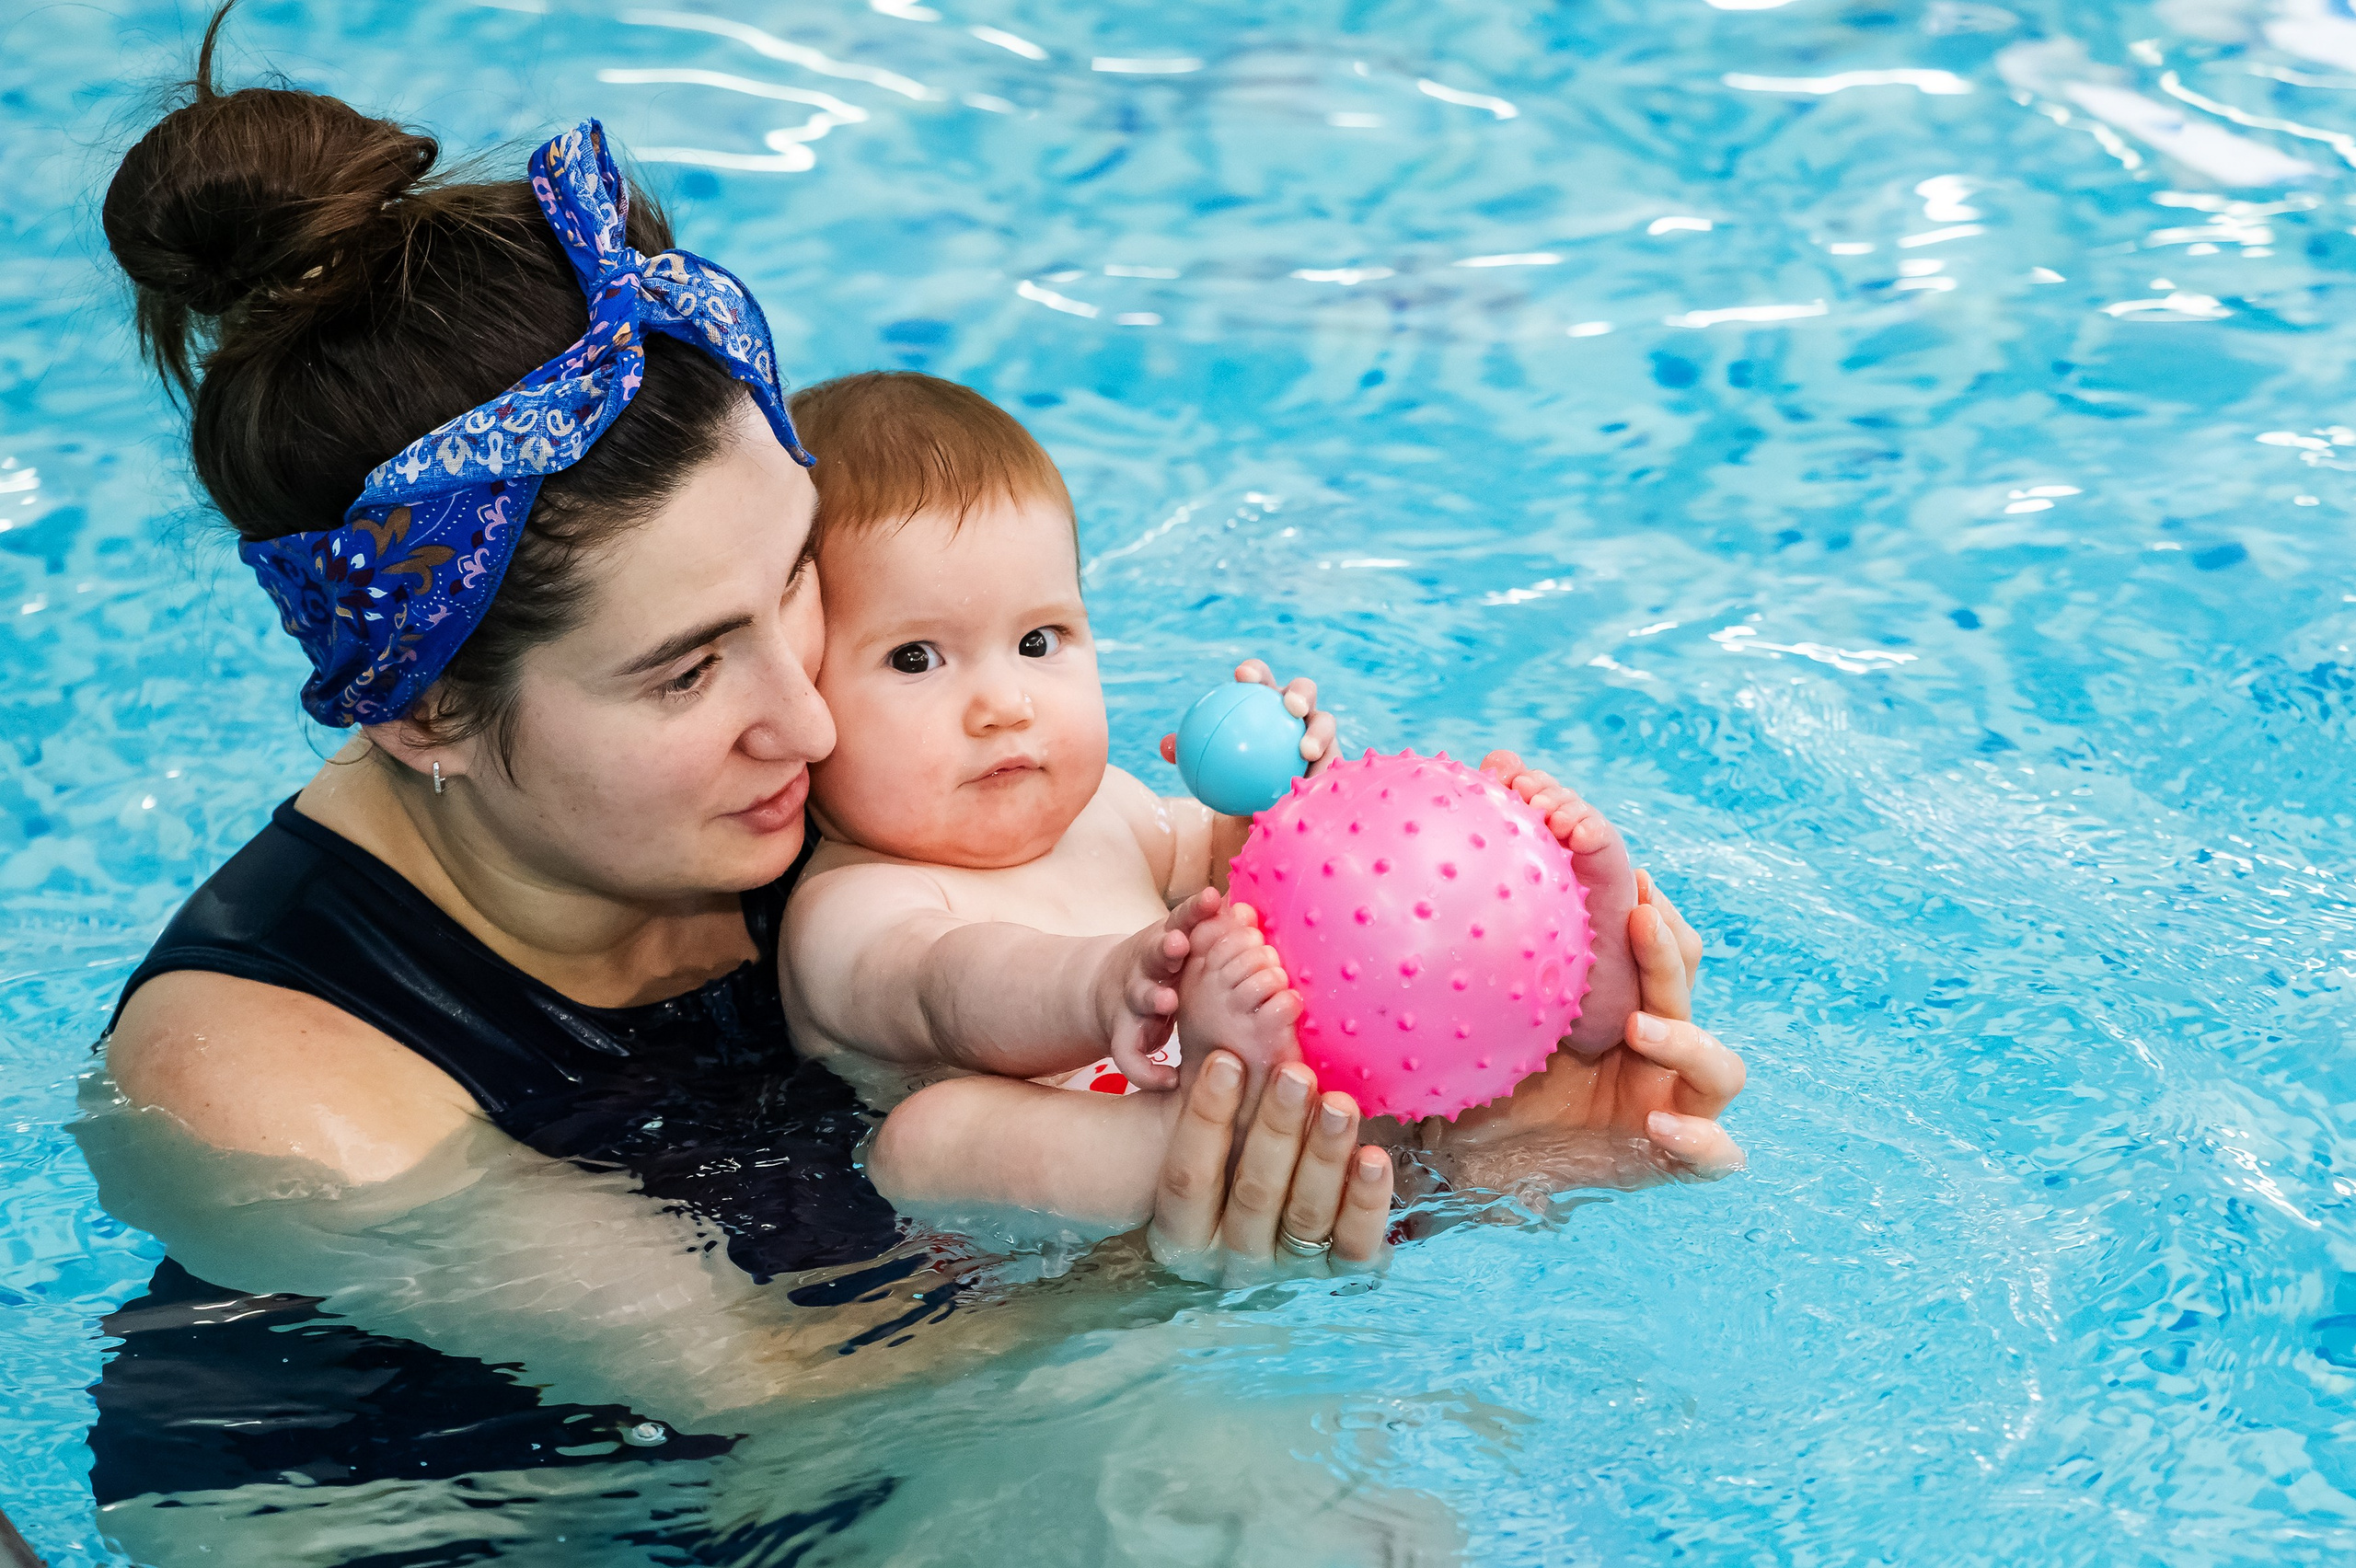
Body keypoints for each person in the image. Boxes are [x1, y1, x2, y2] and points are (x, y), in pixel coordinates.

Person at [85, 13, 1744, 1496]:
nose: (808, 720)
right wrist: (1183, 1264)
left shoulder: (888, 747)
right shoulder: (257, 1072)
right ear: (424, 710)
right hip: (518, 1514)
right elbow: (775, 1403)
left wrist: (1493, 1128)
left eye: (793, 580)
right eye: (684, 670)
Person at [779, 372, 1658, 1233]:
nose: (1005, 704)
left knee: (1370, 973)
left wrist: (1296, 820)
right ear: (798, 695)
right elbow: (950, 985)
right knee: (924, 1141)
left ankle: (1565, 999)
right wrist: (1106, 988)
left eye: (1038, 641)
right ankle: (1196, 1132)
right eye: (915, 659)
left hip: (1287, 1113)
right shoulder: (850, 906)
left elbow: (1229, 871)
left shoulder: (1109, 812)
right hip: (1102, 1181)